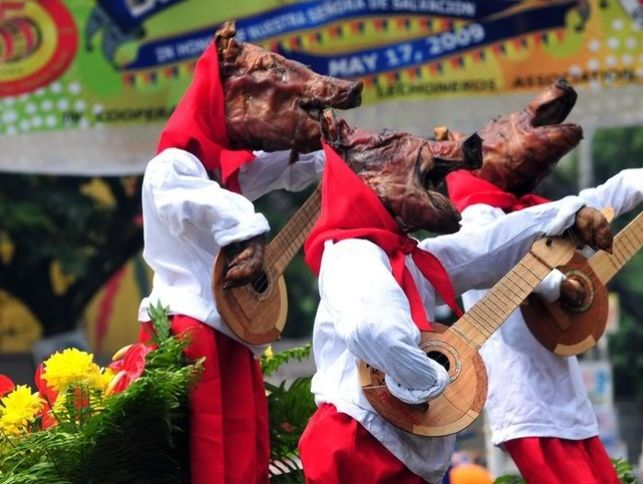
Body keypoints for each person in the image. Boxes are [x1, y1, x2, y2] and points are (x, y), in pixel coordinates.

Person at [297, 113, 614, 484]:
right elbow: (374, 328)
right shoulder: (352, 253)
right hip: (358, 445)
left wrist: (566, 215)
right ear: (373, 184)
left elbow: (483, 248)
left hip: (394, 445)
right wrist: (428, 378)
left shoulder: (412, 261)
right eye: (421, 174)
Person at [136, 22, 361, 484]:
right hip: (187, 326)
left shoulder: (217, 172)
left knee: (247, 447)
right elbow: (207, 204)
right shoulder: (172, 167)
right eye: (263, 99)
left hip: (230, 323)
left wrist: (339, 147)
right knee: (212, 452)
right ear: (224, 104)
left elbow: (286, 172)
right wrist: (248, 227)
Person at [440, 81, 643, 484]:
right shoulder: (478, 219)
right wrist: (557, 285)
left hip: (564, 389)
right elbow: (502, 259)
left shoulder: (537, 213)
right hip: (522, 394)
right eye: (502, 130)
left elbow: (598, 198)